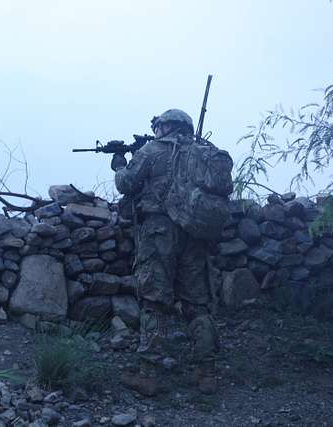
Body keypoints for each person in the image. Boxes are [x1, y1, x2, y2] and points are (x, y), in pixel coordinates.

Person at [112, 109, 224, 393]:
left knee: (154, 299)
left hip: (159, 231)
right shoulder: (202, 152)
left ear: (167, 126)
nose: (156, 131)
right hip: (193, 231)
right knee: (198, 304)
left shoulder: (152, 151)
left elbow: (128, 184)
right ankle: (207, 374)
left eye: (159, 126)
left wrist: (118, 166)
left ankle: (148, 375)